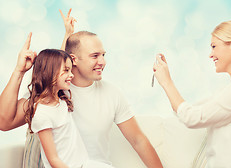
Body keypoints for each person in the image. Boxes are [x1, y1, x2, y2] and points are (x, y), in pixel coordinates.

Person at [0, 9, 163, 168]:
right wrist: (19, 71)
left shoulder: (112, 93)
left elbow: (138, 140)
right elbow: (5, 122)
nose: (103, 62)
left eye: (103, 55)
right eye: (95, 56)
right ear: (74, 59)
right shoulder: (49, 93)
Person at [153, 20, 231, 168]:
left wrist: (167, 82)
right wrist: (166, 80)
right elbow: (185, 112)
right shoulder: (230, 91)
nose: (211, 55)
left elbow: (192, 117)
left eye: (214, 46)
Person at [25, 49, 113, 168]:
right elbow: (53, 160)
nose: (71, 75)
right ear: (49, 72)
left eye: (71, 70)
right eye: (66, 70)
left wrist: (68, 34)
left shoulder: (61, 99)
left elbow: (58, 60)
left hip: (84, 164)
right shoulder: (42, 114)